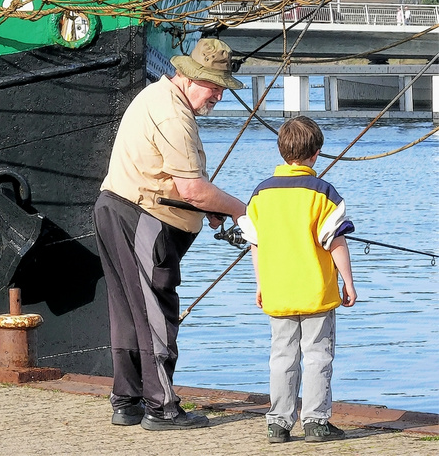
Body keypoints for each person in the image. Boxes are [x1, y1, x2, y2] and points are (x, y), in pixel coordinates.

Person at [94, 37, 250, 431]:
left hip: (116, 207)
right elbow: (192, 189)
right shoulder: (174, 116)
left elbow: (174, 181)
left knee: (128, 311)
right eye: (213, 86)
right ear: (188, 76)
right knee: (156, 313)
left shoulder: (157, 97)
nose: (217, 95)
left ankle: (126, 401)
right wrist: (244, 210)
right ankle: (162, 408)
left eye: (221, 88)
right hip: (143, 218)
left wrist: (213, 208)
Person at [239, 117, 357, 444]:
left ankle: (278, 423)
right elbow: (335, 242)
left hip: (278, 291)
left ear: (281, 151)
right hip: (316, 290)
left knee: (282, 356)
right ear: (316, 154)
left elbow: (256, 244)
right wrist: (348, 281)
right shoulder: (324, 194)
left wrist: (260, 284)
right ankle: (316, 423)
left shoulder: (261, 194)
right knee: (318, 354)